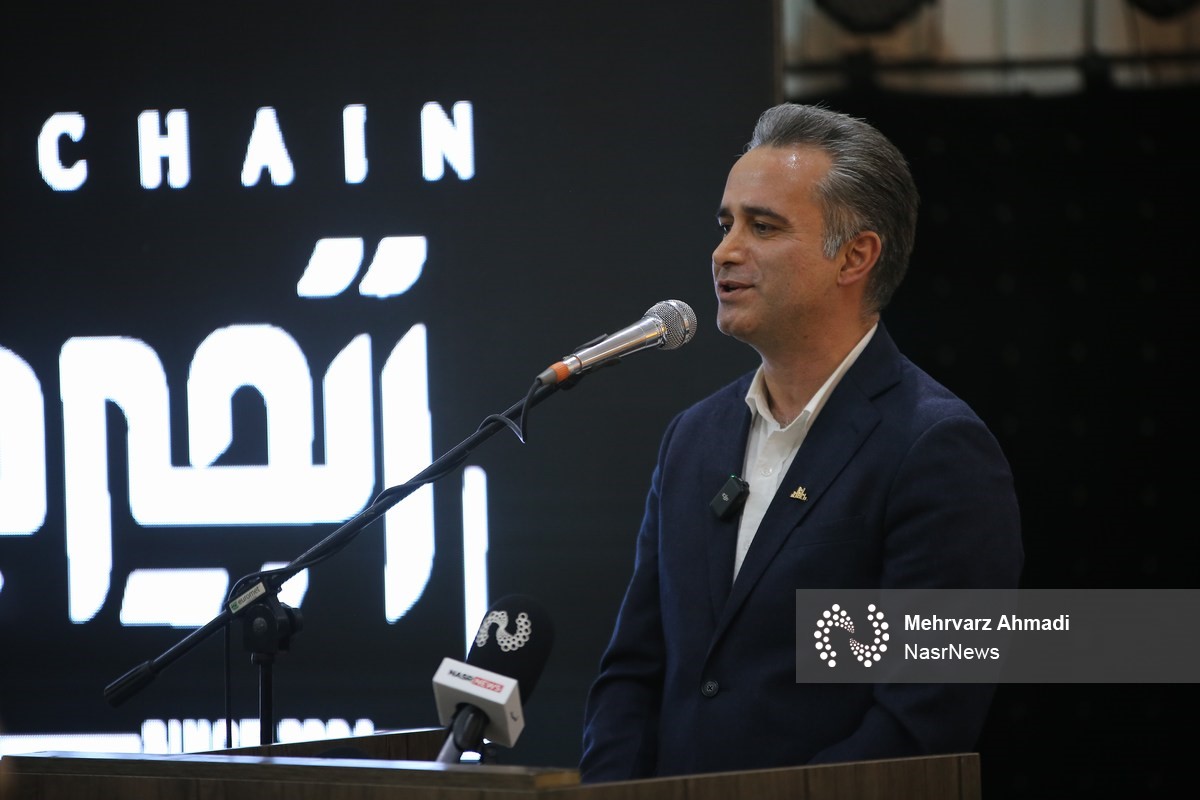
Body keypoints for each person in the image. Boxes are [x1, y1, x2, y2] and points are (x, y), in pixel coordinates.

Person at [579, 103, 1023, 781]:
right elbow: (633, 674)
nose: (725, 251)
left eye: (763, 227)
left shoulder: (937, 448)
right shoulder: (692, 439)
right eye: (726, 224)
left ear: (855, 257)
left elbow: (922, 721)